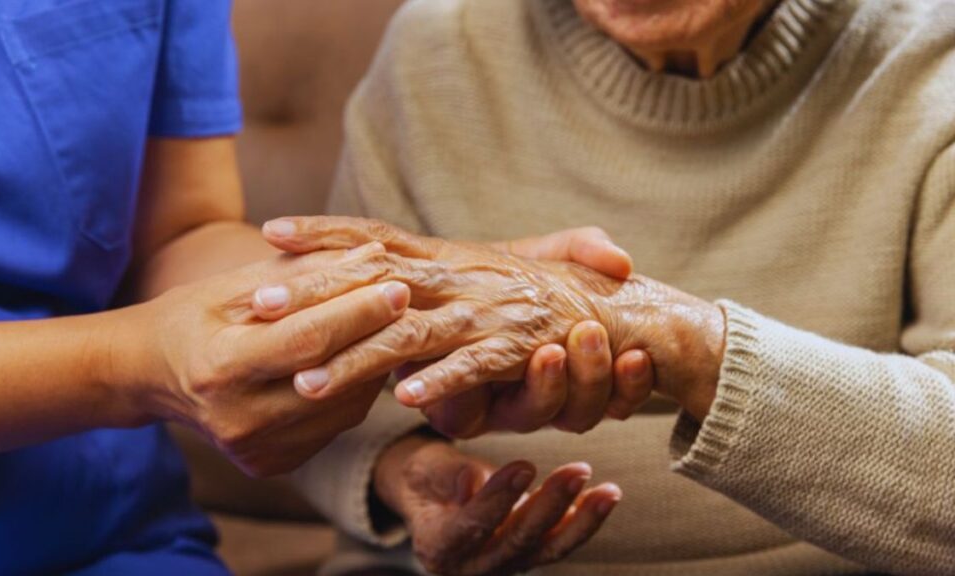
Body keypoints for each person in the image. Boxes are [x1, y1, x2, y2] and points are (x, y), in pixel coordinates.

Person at [0, 1, 635, 573]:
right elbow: (148, 351)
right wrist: (135, 364)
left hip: (107, 533)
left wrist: (420, 281)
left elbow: (180, 235)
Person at [268, 0, 955, 574]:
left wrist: (684, 341)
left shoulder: (932, 54)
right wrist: (403, 472)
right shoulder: (436, 43)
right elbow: (316, 388)